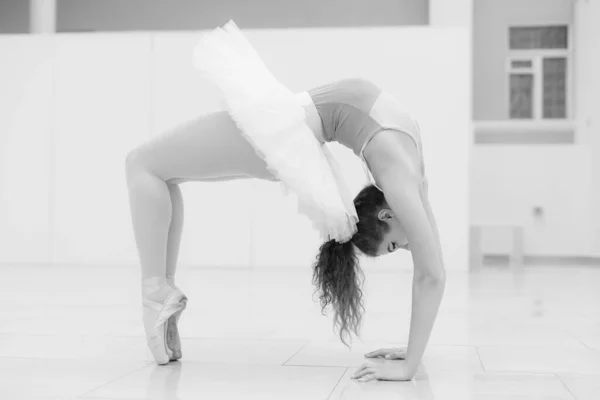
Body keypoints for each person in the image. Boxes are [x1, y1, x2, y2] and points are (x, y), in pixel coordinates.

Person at [125, 21, 446, 382]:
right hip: (280, 126)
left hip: (285, 131)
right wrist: (409, 362)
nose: (405, 247)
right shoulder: (404, 180)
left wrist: (412, 355)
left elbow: (434, 267)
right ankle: (159, 293)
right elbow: (432, 274)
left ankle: (157, 292)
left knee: (144, 165)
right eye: (393, 246)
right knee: (151, 169)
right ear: (386, 213)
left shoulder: (408, 172)